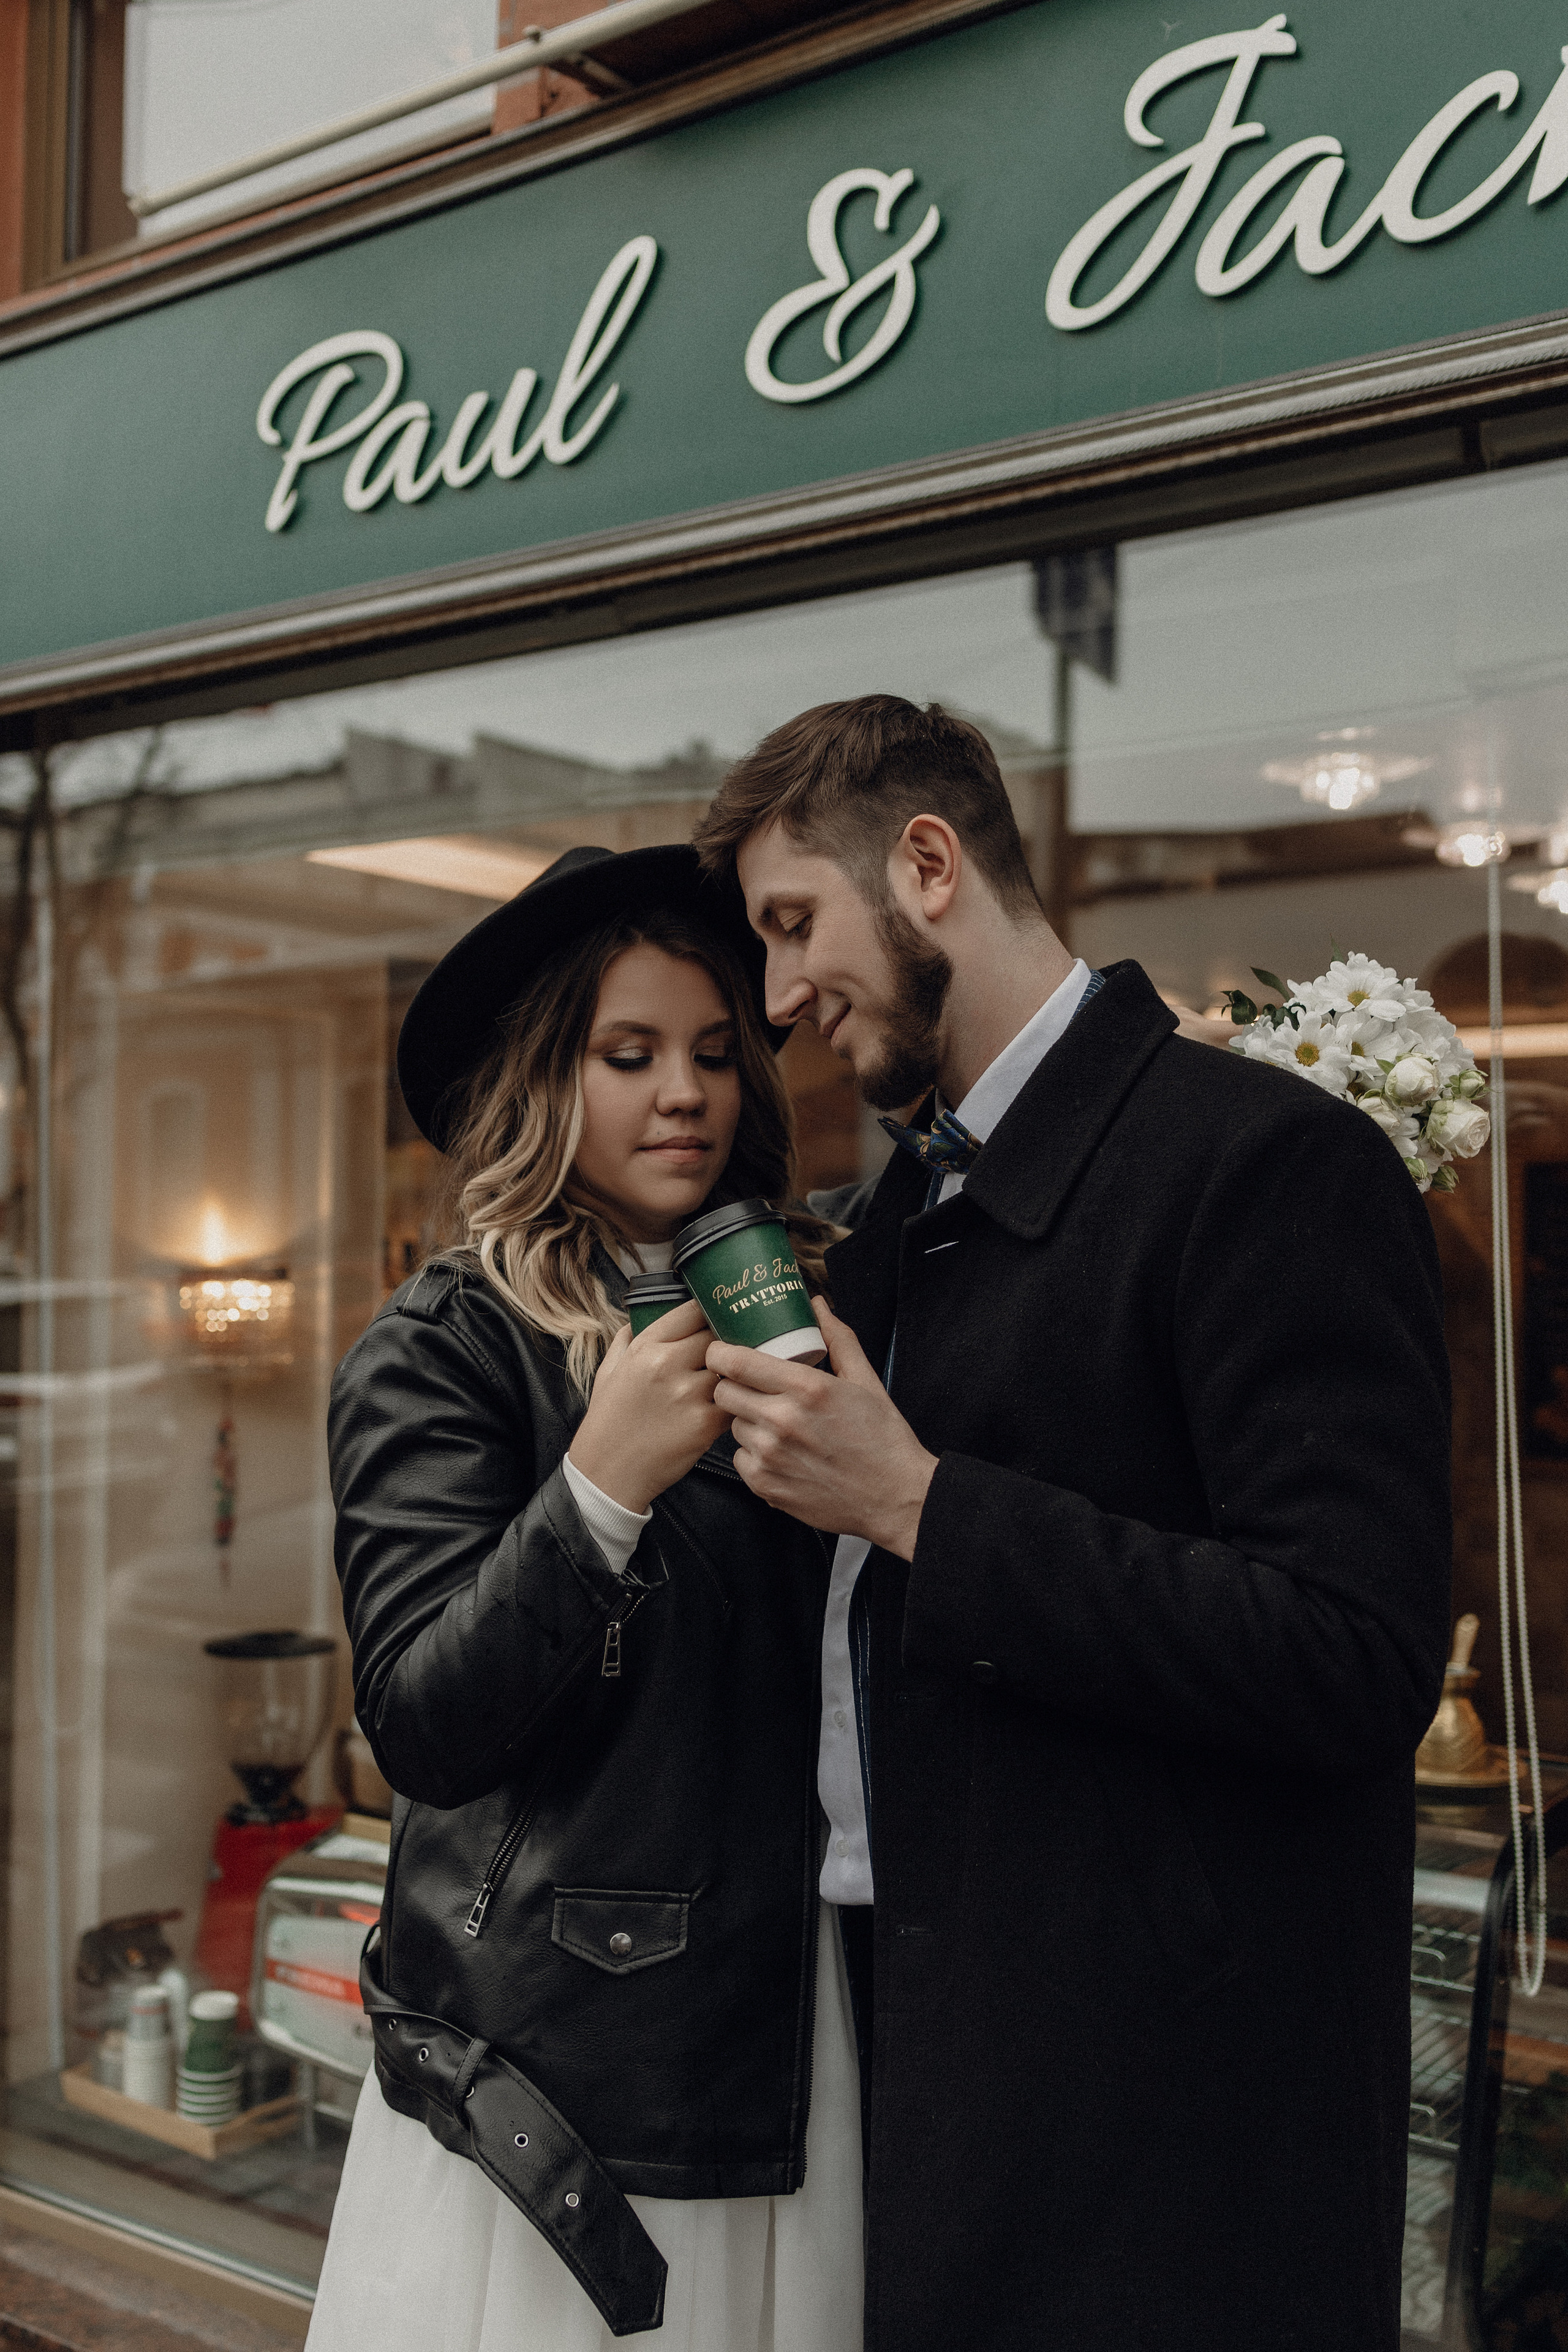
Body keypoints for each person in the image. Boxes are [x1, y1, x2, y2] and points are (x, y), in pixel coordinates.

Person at [690, 698, 1452, 2352]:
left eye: (792, 923)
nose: (776, 998)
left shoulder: (1271, 1164)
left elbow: (1356, 1655)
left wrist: (918, 1507)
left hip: (1168, 2167)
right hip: (916, 2088)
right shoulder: (901, 1214)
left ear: (930, 862)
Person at [308, 845, 863, 2352]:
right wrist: (599, 1485)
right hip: (574, 2055)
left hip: (804, 1997)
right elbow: (422, 1721)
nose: (683, 1092)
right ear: (542, 1084)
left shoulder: (807, 1305)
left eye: (707, 1053)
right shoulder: (443, 1351)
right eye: (627, 1056)